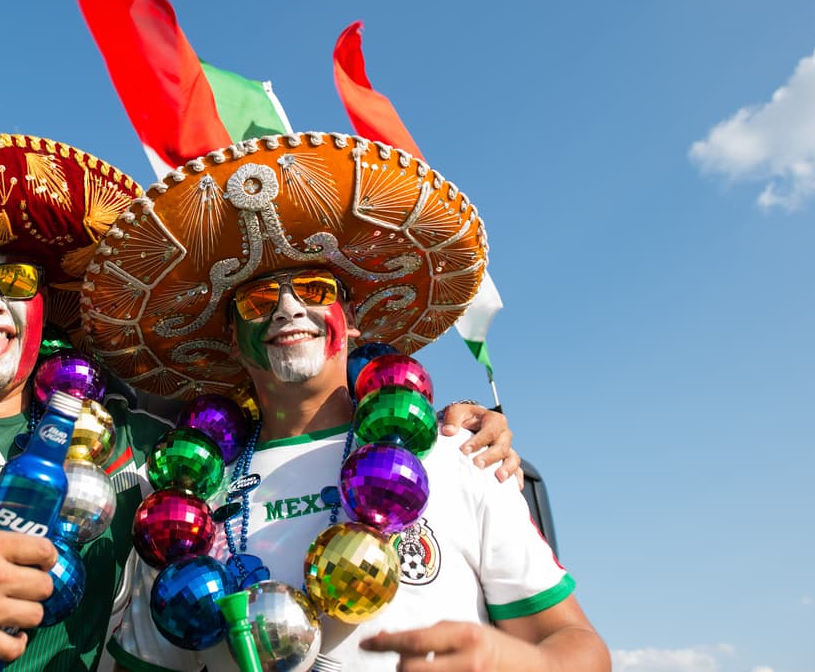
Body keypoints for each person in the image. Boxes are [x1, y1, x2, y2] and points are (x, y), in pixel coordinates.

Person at [0, 132, 517, 672]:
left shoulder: (145, 446)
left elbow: (292, 410)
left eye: (16, 282)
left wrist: (438, 422)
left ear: (44, 310)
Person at [82, 132, 610, 671]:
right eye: (259, 299)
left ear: (352, 321)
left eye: (313, 290)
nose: (288, 309)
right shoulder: (176, 498)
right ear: (231, 338)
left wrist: (512, 663)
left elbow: (575, 643)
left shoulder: (457, 457)